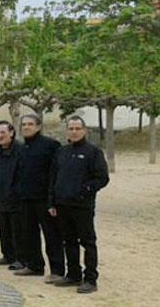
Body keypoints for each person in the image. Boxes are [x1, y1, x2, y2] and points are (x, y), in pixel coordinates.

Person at [48, 116, 109, 293]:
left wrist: (86, 189)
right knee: (69, 241)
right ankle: (73, 274)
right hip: (62, 205)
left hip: (82, 206)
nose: (74, 132)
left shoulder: (93, 152)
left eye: (77, 128)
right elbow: (53, 178)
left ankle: (90, 279)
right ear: (67, 131)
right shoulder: (61, 152)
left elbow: (102, 178)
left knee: (88, 242)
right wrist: (52, 202)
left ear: (84, 131)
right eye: (71, 128)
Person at [14, 114, 64, 281]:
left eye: (30, 124)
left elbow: (56, 172)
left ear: (38, 126)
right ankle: (35, 265)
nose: (26, 127)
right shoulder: (21, 148)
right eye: (24, 124)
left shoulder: (50, 145)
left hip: (45, 199)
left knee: (52, 235)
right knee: (29, 234)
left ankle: (57, 270)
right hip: (25, 198)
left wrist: (53, 198)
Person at [0, 121, 24, 270]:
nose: (0, 135)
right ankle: (8, 255)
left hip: (16, 196)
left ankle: (20, 258)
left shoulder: (20, 150)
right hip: (1, 195)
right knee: (4, 227)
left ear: (11, 132)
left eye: (3, 132)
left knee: (17, 229)